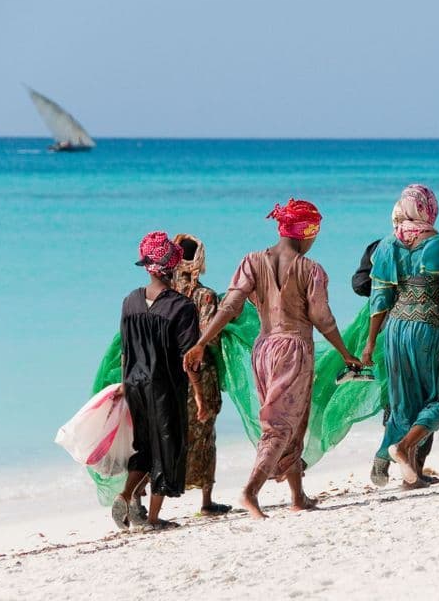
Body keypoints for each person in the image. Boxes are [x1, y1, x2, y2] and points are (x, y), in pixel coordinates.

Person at [183, 199, 361, 519]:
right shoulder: (311, 270)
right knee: (280, 426)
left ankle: (298, 495)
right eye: (314, 233)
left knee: (290, 421)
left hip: (263, 350)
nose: (314, 240)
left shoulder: (251, 262)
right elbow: (322, 318)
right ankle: (250, 492)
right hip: (294, 348)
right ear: (305, 231)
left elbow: (230, 307)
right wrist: (346, 353)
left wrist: (201, 342)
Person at [361, 184, 439, 487]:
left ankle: (398, 468)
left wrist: (371, 342)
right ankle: (397, 449)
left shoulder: (387, 246)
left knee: (403, 404)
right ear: (429, 208)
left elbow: (379, 300)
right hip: (430, 329)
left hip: (395, 330)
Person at [111, 231, 208, 531]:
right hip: (165, 387)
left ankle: (126, 494)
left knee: (143, 446)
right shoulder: (181, 307)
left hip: (134, 384)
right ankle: (152, 518)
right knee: (168, 448)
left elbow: (125, 350)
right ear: (174, 267)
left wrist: (125, 386)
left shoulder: (130, 301)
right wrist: (200, 396)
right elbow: (189, 360)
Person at [352, 239, 437, 487]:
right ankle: (412, 470)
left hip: (390, 330)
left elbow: (359, 284)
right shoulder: (433, 245)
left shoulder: (380, 248)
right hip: (425, 330)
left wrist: (384, 287)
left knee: (397, 399)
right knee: (429, 399)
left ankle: (391, 459)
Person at [171, 233, 232, 517]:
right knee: (204, 434)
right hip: (200, 372)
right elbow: (209, 337)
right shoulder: (205, 296)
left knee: (167, 433)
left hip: (167, 373)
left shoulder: (162, 294)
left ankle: (147, 496)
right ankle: (206, 501)